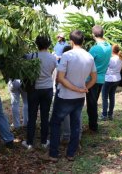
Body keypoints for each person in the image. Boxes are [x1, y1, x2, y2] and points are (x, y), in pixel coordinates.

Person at [43, 30, 97, 162]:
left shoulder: (67, 55)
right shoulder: (89, 57)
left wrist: (78, 89)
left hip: (65, 96)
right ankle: (71, 153)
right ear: (83, 41)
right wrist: (84, 88)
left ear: (71, 41)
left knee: (55, 123)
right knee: (75, 124)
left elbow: (60, 78)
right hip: (79, 98)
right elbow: (94, 78)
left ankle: (53, 154)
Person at [22, 35, 57, 150]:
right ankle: (43, 141)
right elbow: (52, 71)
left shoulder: (31, 56)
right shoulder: (52, 58)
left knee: (32, 116)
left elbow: (21, 61)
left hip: (34, 89)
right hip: (47, 89)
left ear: (37, 44)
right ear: (48, 45)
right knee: (45, 116)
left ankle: (29, 142)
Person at [86, 25, 112, 132]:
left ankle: (93, 127)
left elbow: (86, 62)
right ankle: (93, 125)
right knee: (94, 102)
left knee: (91, 104)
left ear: (93, 35)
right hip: (101, 79)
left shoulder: (95, 48)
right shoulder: (109, 46)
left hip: (92, 79)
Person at [101, 44, 122, 121]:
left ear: (112, 51)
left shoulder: (110, 59)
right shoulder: (120, 58)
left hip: (108, 79)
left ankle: (104, 114)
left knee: (104, 97)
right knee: (112, 97)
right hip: (117, 79)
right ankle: (110, 114)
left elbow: (104, 68)